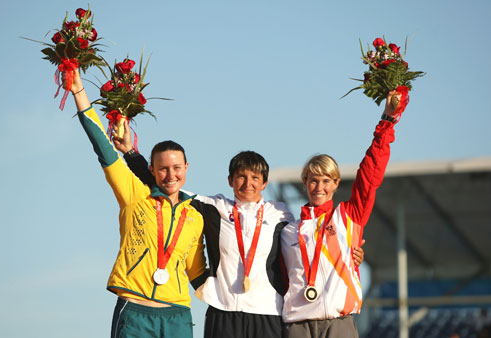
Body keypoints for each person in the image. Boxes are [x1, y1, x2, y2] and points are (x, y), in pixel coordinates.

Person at [114, 124, 365, 338]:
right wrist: (130, 152)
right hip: (223, 312)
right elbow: (167, 184)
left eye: (255, 178)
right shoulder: (212, 207)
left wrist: (349, 256)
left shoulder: (282, 217)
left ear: (264, 183)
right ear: (230, 180)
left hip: (267, 313)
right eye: (241, 177)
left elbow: (309, 250)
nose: (248, 183)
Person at [65, 69, 207, 338]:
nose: (171, 174)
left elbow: (197, 272)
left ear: (186, 167)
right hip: (134, 309)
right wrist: (78, 92)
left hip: (178, 315)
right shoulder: (135, 195)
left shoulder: (194, 216)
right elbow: (103, 149)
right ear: (152, 170)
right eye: (163, 168)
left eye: (177, 167)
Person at [280, 91, 403, 338]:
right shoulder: (287, 231)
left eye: (326, 181)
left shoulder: (349, 216)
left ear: (336, 184)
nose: (319, 187)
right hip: (297, 325)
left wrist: (387, 120)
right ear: (305, 182)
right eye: (313, 181)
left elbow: (370, 174)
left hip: (340, 323)